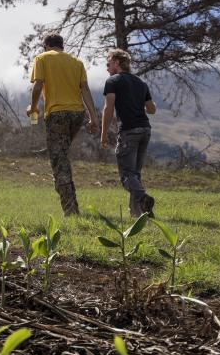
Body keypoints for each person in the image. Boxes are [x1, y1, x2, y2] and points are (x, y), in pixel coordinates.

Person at [26, 33, 99, 215]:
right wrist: (93, 117)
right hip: (77, 114)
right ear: (61, 45)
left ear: (47, 45)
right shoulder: (77, 62)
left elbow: (38, 85)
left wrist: (33, 107)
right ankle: (71, 203)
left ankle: (71, 211)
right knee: (63, 156)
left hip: (57, 114)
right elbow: (85, 90)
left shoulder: (42, 58)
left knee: (59, 162)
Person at [99, 48, 157, 217]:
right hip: (145, 130)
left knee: (126, 176)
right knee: (135, 175)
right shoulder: (141, 83)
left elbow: (108, 108)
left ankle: (143, 198)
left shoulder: (113, 81)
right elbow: (151, 109)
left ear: (117, 62)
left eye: (108, 63)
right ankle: (137, 215)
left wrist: (103, 135)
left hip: (129, 132)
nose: (107, 67)